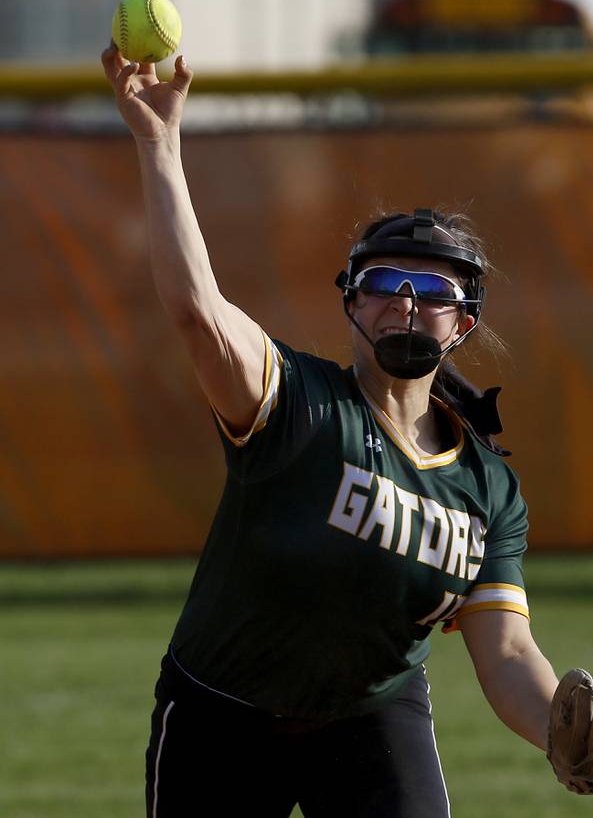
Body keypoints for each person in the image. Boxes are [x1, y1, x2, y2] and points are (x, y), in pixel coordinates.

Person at [101, 45, 559, 818]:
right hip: (224, 711)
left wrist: (566, 735)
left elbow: (508, 654)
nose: (404, 303)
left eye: (432, 290)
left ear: (466, 321)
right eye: (383, 282)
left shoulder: (486, 487)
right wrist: (159, 146)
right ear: (352, 302)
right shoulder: (298, 403)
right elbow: (198, 313)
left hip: (369, 718)